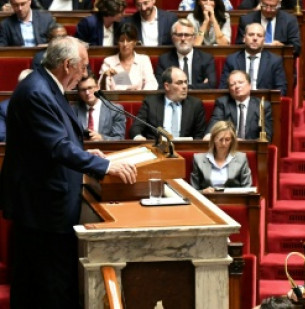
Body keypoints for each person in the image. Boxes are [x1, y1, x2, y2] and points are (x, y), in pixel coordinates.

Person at [0, 36, 136, 306]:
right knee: (47, 287)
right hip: (42, 207)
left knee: (41, 284)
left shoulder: (46, 85)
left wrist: (85, 154)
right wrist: (105, 165)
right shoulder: (37, 92)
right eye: (83, 67)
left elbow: (57, 139)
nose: (84, 73)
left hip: (47, 202)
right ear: (67, 65)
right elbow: (57, 147)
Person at [129, 67, 206, 140]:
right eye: (179, 83)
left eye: (185, 82)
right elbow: (137, 127)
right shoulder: (151, 103)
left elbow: (200, 134)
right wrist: (138, 137)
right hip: (157, 149)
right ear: (167, 86)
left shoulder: (195, 104)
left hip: (184, 148)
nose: (185, 86)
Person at [218, 22, 288, 95]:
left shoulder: (274, 61)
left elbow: (281, 90)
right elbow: (223, 88)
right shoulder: (232, 60)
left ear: (264, 40)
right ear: (244, 38)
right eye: (251, 35)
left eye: (259, 36)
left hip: (263, 103)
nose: (255, 38)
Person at [235, 0, 302, 56]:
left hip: (280, 62)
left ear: (279, 3)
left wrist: (282, 47)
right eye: (265, 5)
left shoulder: (290, 20)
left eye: (272, 6)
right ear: (260, 0)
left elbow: (297, 48)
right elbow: (239, 47)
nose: (268, 10)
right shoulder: (247, 20)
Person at [207, 70, 273, 141]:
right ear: (229, 89)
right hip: (227, 148)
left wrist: (244, 143)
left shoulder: (262, 106)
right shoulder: (222, 103)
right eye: (232, 84)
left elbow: (266, 137)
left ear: (250, 85)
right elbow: (211, 132)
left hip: (252, 149)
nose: (237, 86)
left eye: (240, 82)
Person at [156, 18, 217, 90]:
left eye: (187, 35)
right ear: (173, 38)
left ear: (194, 38)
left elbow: (211, 85)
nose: (183, 38)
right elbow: (161, 85)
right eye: (179, 35)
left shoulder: (206, 59)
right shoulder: (164, 60)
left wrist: (177, 86)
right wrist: (200, 86)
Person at [190, 121, 252, 191]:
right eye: (220, 139)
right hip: (207, 200)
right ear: (213, 139)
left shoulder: (241, 158)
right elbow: (193, 192)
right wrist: (203, 192)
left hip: (234, 200)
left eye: (227, 139)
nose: (223, 143)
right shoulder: (199, 159)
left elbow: (247, 189)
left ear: (232, 141)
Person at [98, 23, 158, 91]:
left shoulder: (143, 60)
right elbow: (102, 88)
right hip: (114, 100)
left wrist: (141, 97)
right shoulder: (109, 61)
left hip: (139, 100)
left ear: (135, 42)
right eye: (121, 40)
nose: (125, 44)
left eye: (129, 40)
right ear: (117, 42)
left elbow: (151, 83)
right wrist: (105, 77)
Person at [73, 75, 126, 141]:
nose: (87, 93)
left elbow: (119, 138)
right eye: (83, 90)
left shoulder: (115, 110)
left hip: (105, 149)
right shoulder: (73, 111)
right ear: (79, 92)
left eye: (90, 88)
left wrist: (102, 138)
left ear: (98, 87)